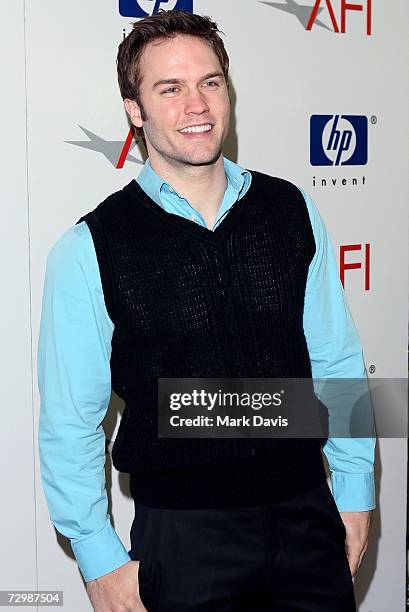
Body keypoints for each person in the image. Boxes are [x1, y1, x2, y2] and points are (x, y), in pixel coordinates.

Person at [37, 9, 375, 611]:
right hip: (183, 543)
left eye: (210, 82)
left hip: (308, 522)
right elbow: (70, 423)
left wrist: (353, 491)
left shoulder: (289, 210)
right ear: (134, 111)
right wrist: (97, 556)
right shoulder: (92, 247)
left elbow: (337, 361)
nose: (197, 105)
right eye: (170, 89)